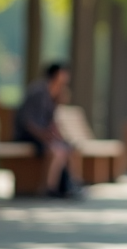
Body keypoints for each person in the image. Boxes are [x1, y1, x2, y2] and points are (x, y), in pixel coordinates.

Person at [14, 62, 79, 198]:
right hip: (27, 135)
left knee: (67, 147)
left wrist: (58, 137)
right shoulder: (38, 91)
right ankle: (49, 188)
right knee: (56, 150)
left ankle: (70, 185)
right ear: (55, 75)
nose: (66, 77)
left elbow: (51, 121)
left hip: (41, 136)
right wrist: (44, 136)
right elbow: (27, 122)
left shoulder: (54, 93)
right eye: (63, 73)